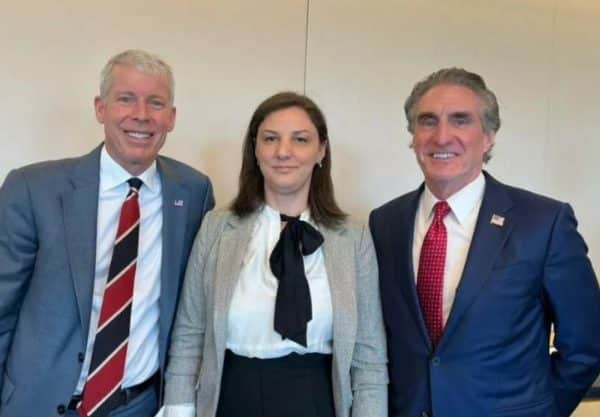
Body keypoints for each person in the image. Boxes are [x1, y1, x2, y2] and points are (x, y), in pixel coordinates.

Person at [369, 68, 600, 417]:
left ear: (489, 135)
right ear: (413, 136)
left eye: (460, 120)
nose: (442, 136)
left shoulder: (543, 222)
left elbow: (585, 346)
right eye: (428, 121)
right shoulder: (385, 223)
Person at [0, 49, 214, 417]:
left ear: (172, 117)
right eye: (125, 99)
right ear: (100, 108)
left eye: (156, 102)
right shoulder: (33, 189)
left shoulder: (193, 192)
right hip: (38, 404)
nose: (141, 115)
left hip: (140, 405)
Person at [160, 92, 387, 417]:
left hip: (315, 400)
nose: (283, 152)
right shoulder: (216, 228)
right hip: (230, 399)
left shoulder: (353, 239)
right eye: (270, 139)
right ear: (255, 149)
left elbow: (369, 357)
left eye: (300, 139)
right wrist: (178, 410)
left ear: (321, 150)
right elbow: (189, 333)